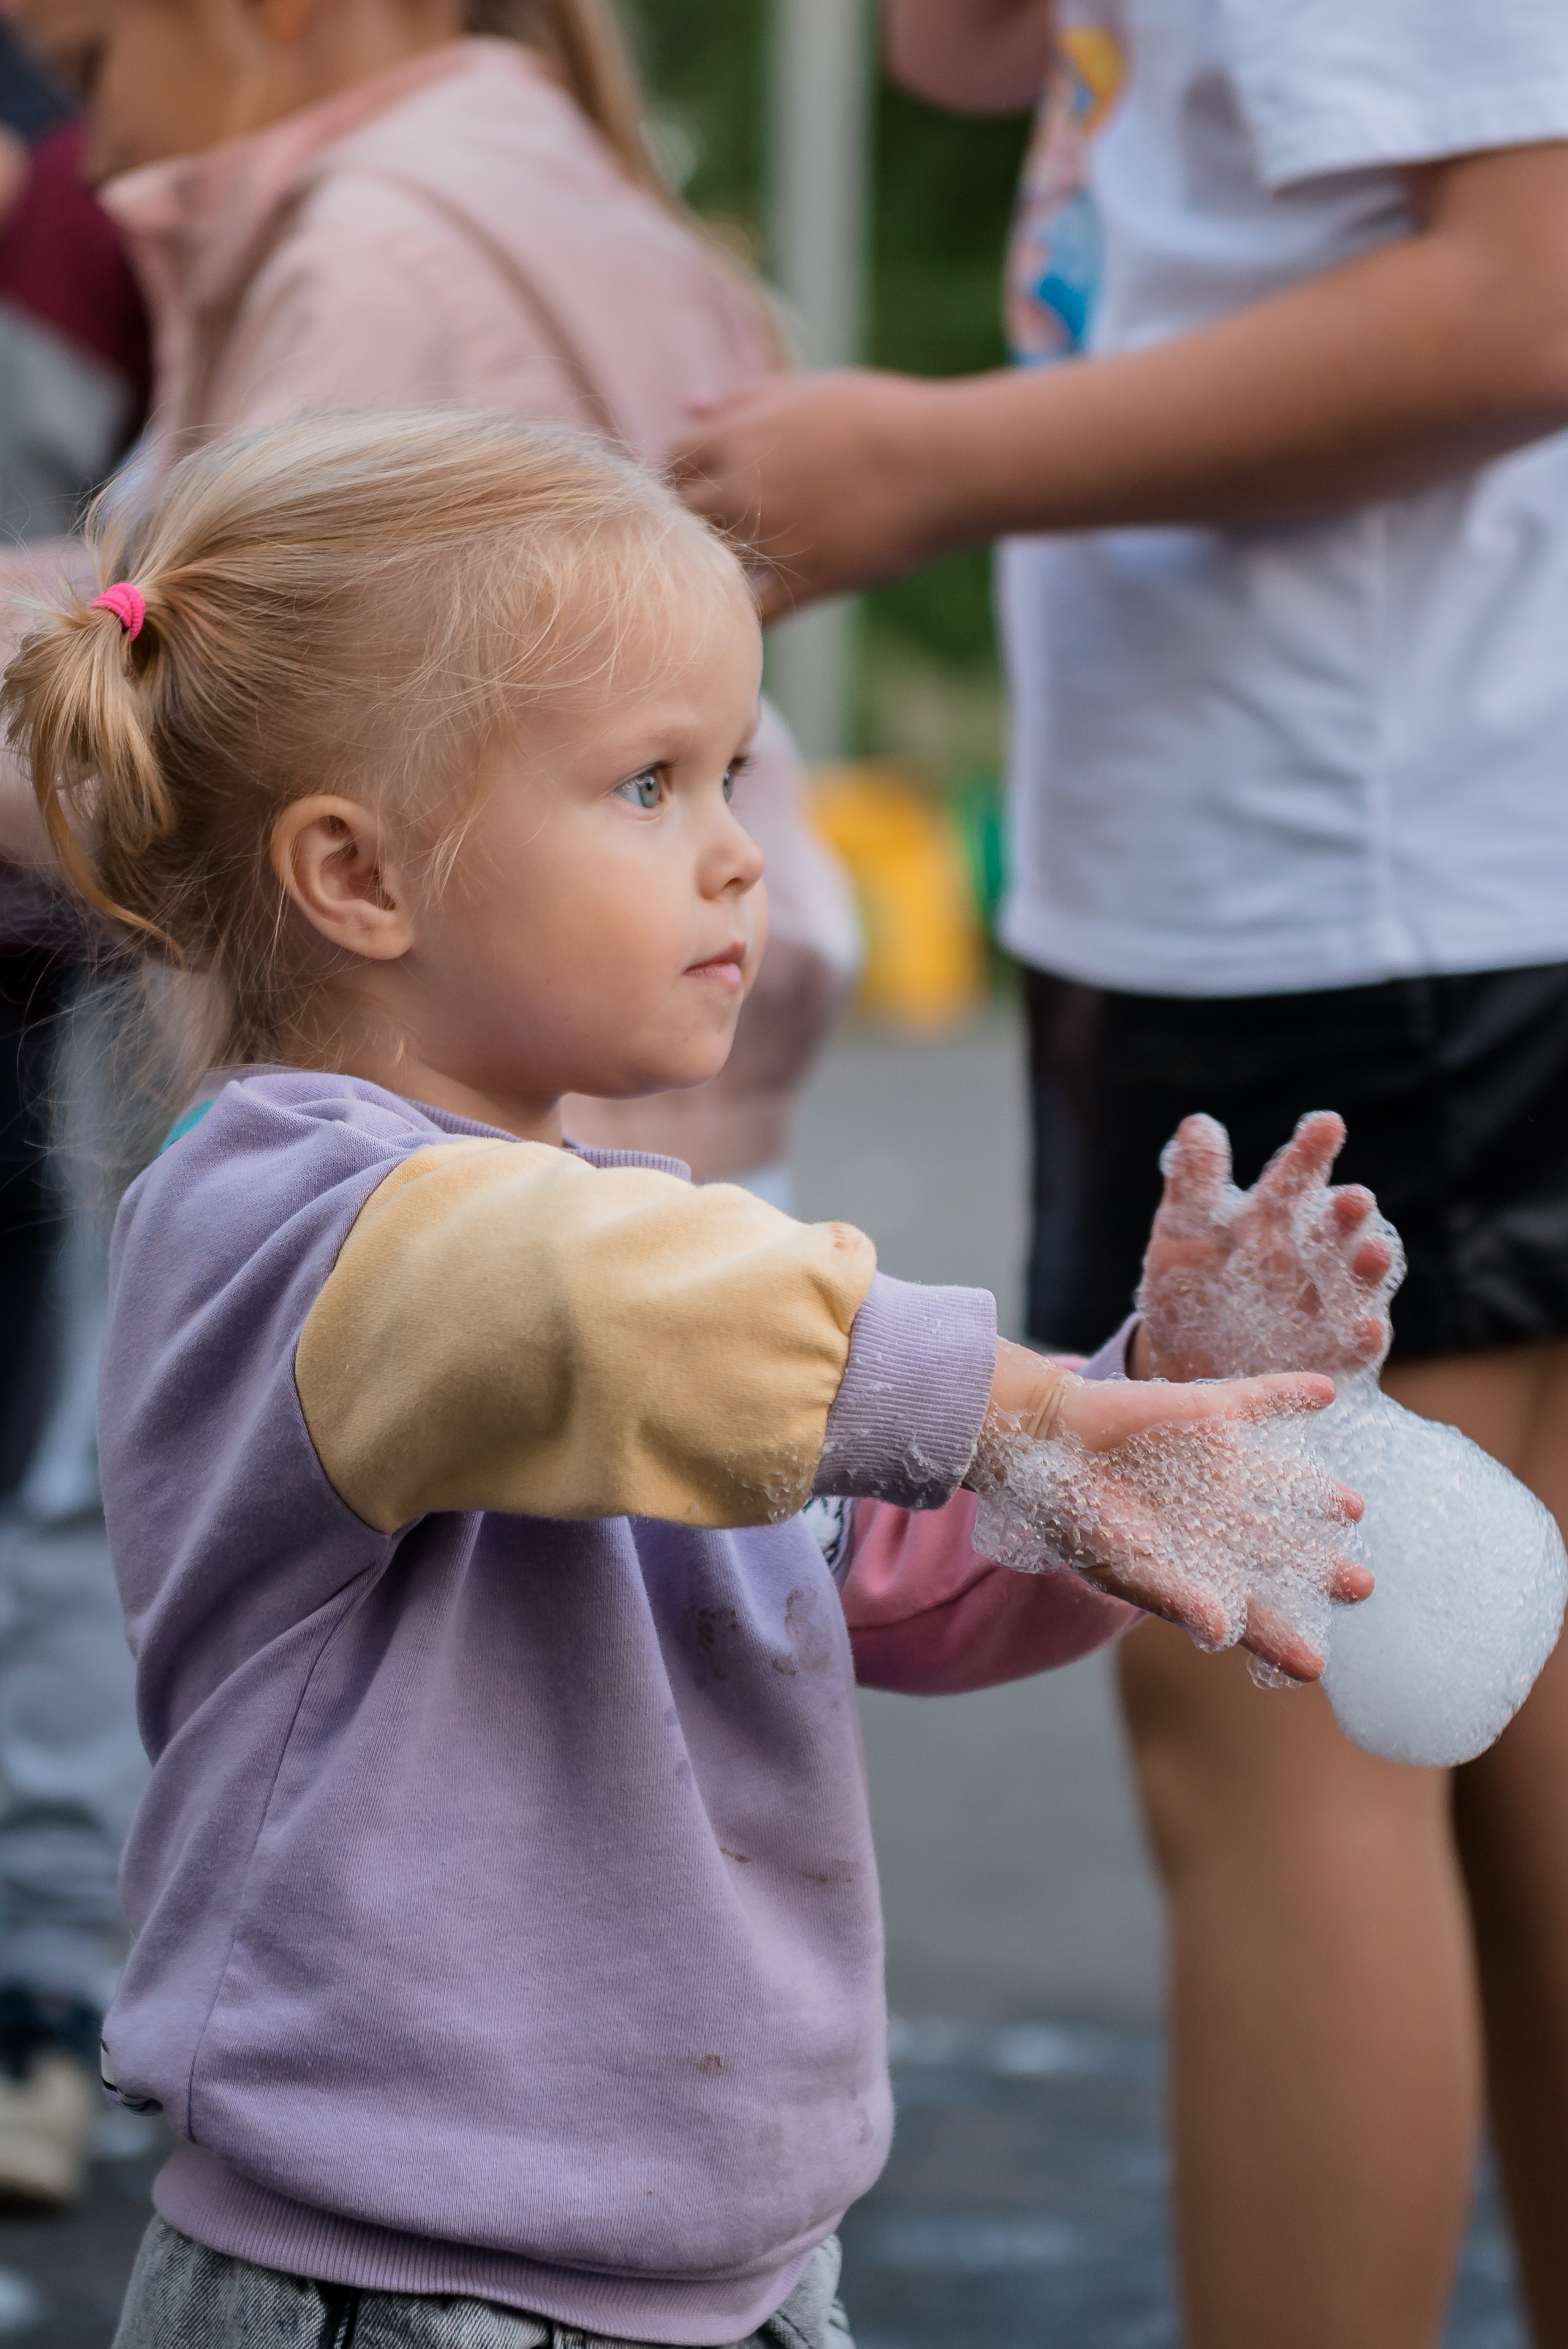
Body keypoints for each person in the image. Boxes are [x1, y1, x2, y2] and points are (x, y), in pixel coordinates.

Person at [0, 407, 1371, 2347]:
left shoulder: (632, 1253)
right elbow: (584, 1309)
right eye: (649, 784)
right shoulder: (294, 1221)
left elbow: (875, 1559)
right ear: (359, 876)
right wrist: (1019, 1402)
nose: (741, 854)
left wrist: (1124, 1444)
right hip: (395, 2286)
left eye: (735, 769)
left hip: (715, 2275)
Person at [674, 3, 1568, 2342]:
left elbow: (1527, 283)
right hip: (1355, 856)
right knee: (1497, 1731)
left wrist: (934, 466)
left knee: (1287, 1722)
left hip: (1340, 884)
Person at [10, 0, 857, 1196]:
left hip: (495, 1158)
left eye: (92, 72)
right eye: (652, 786)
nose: (90, 157)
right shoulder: (551, 183)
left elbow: (219, 720)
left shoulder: (372, 268)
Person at [0, 29, 153, 2204]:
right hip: (75, 896)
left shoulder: (90, 186)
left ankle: (38, 1983)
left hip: (63, 925)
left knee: (64, 1453)